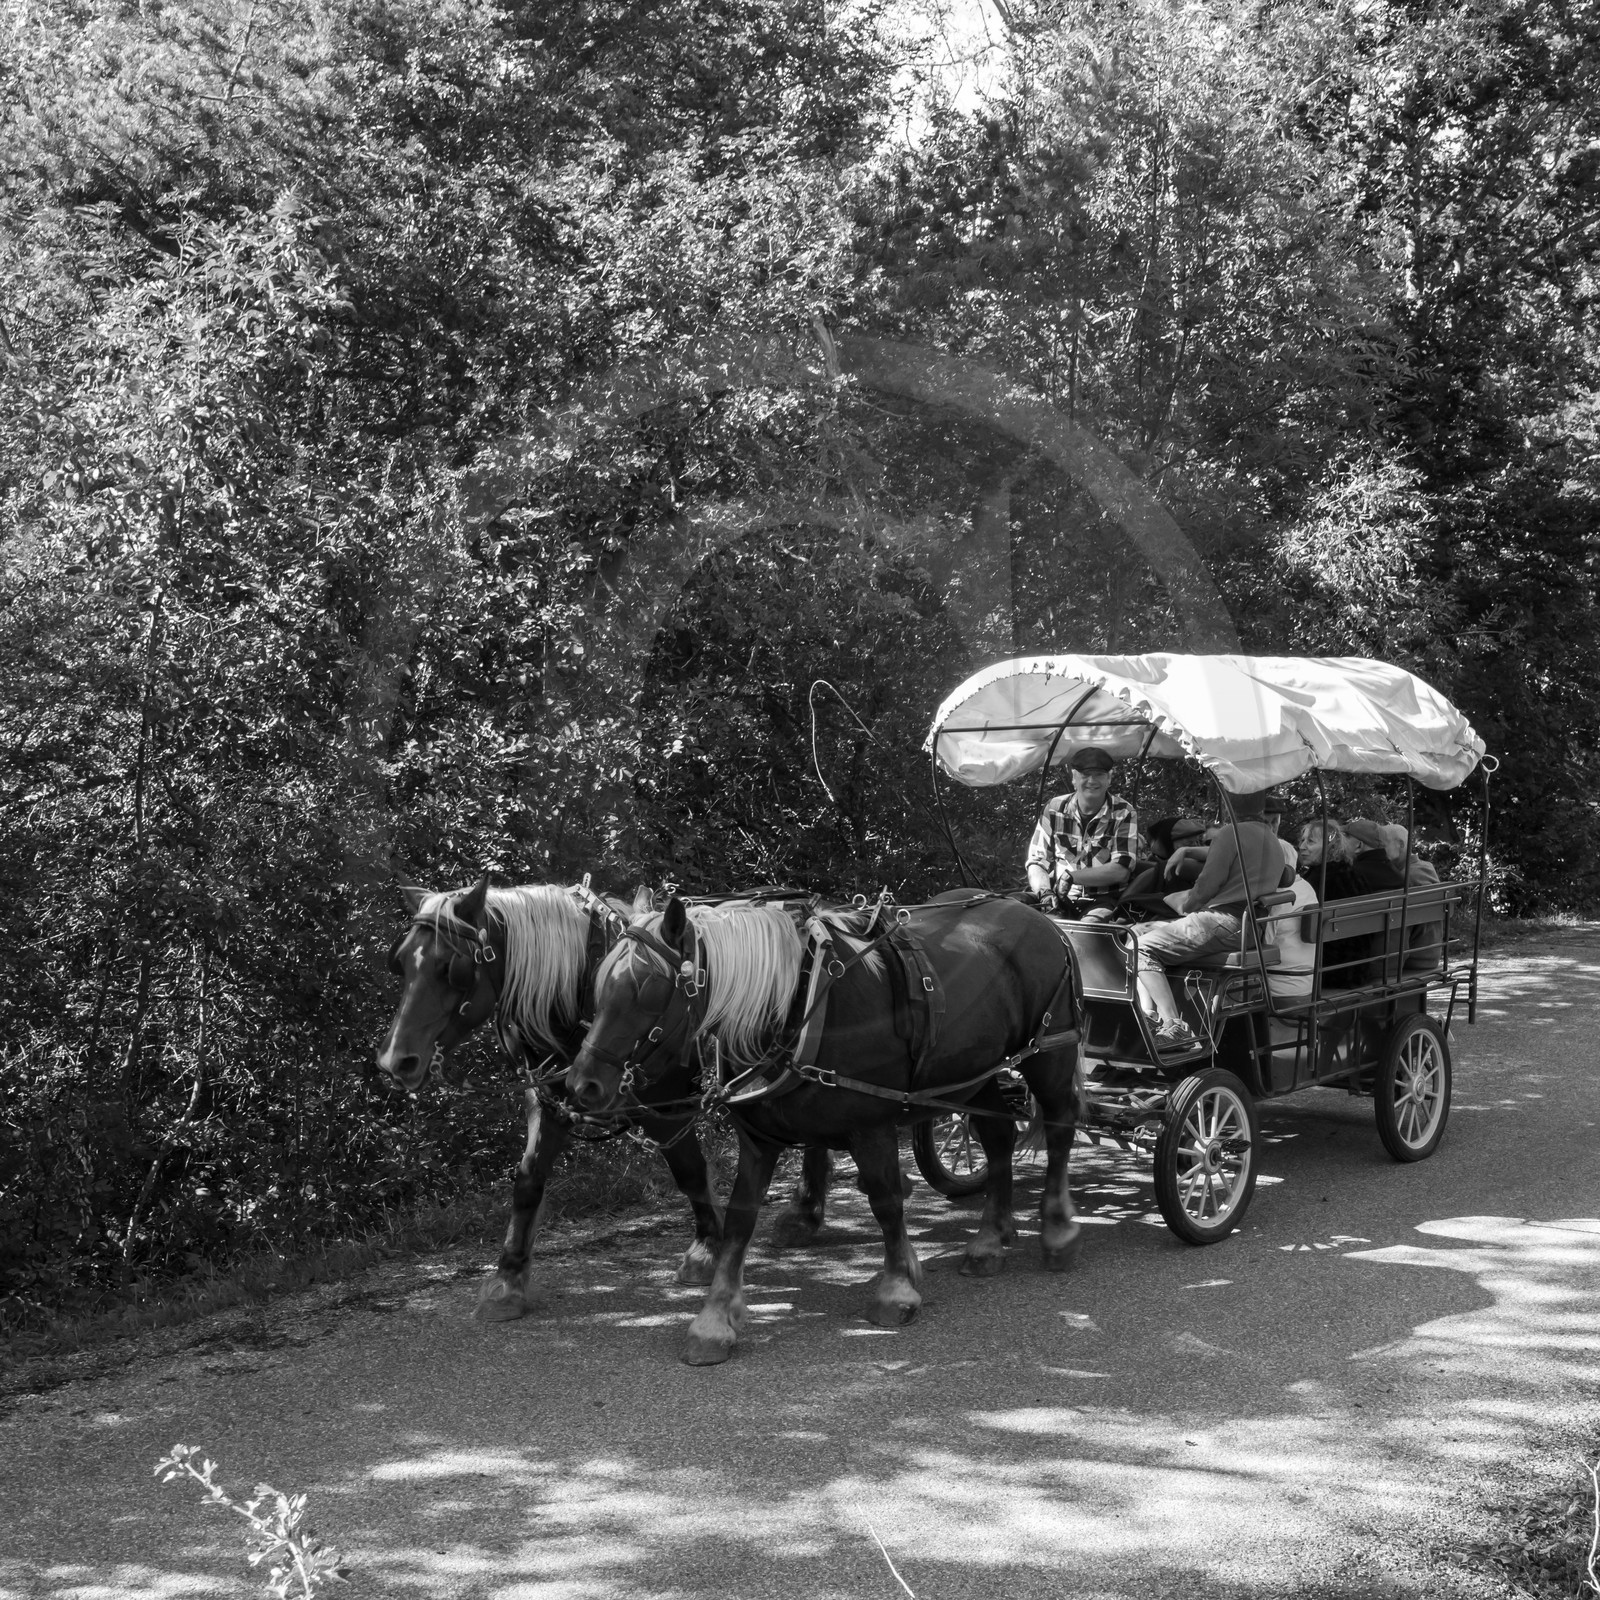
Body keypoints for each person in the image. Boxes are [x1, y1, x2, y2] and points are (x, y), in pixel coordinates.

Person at [1131, 788, 1286, 1050]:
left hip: (1223, 920)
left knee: (1141, 948)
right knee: (1138, 931)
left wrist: (1186, 905)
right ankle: (1149, 1017)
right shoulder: (1271, 839)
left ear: (1227, 805)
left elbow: (1207, 884)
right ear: (1261, 808)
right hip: (1249, 925)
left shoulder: (1231, 833)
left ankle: (1173, 1025)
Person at [1025, 747, 1138, 922]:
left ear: (1109, 778)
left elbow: (1121, 870)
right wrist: (1045, 894)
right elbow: (1037, 860)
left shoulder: (1123, 812)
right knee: (1009, 910)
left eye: (1099, 774)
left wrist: (1072, 877)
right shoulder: (1054, 808)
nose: (1091, 781)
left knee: (1087, 932)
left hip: (1103, 899)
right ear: (1074, 777)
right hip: (1056, 896)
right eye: (1085, 775)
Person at [1297, 818, 1406, 986]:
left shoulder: (1320, 880)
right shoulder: (1348, 872)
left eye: (1310, 842)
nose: (1302, 846)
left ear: (1330, 846)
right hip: (1356, 967)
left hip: (1331, 971)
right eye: (1302, 840)